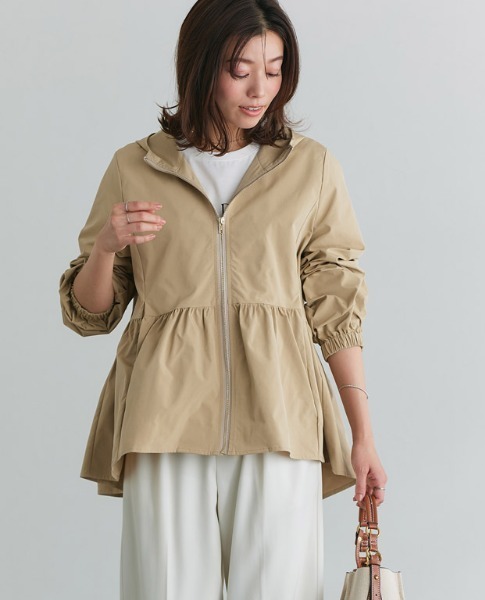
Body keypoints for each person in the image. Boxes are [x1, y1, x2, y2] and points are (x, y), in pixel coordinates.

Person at [59, 0, 388, 598]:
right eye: (240, 70)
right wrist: (106, 247)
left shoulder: (310, 167)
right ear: (201, 65)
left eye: (275, 69)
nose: (261, 89)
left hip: (282, 414)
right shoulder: (135, 165)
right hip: (163, 417)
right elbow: (90, 313)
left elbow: (336, 306)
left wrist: (361, 432)